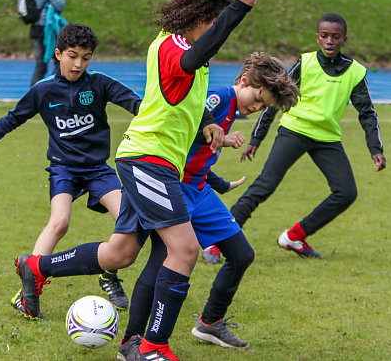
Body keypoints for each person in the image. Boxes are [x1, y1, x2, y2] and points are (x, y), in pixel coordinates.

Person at [13, 0, 257, 360]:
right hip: (148, 161)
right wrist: (238, 11)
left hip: (155, 163)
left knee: (122, 252)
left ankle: (37, 267)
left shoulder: (189, 50)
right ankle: (151, 347)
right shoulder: (174, 44)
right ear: (199, 18)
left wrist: (209, 119)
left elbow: (179, 95)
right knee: (185, 249)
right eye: (215, 23)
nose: (216, 33)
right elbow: (188, 63)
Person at [116, 52, 299, 360]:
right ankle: (133, 340)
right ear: (242, 81)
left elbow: (201, 157)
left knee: (241, 255)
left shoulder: (233, 110)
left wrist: (218, 182)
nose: (256, 108)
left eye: (264, 106)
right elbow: (181, 135)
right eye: (257, 98)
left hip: (200, 191)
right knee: (161, 261)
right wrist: (221, 139)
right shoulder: (217, 99)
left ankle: (209, 323)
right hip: (175, 188)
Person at [0, 23, 141, 316]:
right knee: (59, 222)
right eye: (72, 56)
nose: (78, 64)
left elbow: (137, 104)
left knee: (127, 219)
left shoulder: (99, 83)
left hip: (98, 169)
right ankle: (29, 289)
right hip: (64, 169)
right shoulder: (43, 90)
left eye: (86, 57)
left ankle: (108, 274)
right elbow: (14, 117)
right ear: (58, 54)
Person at [230, 13, 386, 258]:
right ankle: (220, 239)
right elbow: (275, 98)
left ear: (344, 40)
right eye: (324, 35)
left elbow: (367, 113)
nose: (329, 41)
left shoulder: (355, 72)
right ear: (317, 37)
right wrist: (256, 140)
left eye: (336, 37)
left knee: (346, 193)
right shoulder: (306, 62)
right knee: (265, 185)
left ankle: (294, 237)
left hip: (327, 138)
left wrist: (375, 149)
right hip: (294, 130)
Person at [29, 0, 66, 86]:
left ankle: (34, 95)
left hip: (37, 26)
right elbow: (60, 4)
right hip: (47, 29)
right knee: (59, 60)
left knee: (41, 64)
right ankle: (52, 89)